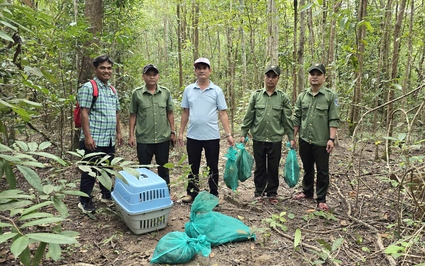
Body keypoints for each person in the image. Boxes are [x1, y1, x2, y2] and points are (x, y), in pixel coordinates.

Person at [178, 57, 234, 203]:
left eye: (205, 67)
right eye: (199, 68)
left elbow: (223, 113)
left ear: (210, 71)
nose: (202, 70)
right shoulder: (189, 90)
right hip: (193, 136)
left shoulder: (216, 91)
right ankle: (192, 193)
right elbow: (185, 112)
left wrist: (228, 134)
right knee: (192, 165)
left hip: (212, 135)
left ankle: (213, 193)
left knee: (213, 165)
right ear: (195, 71)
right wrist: (180, 132)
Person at [239, 65, 295, 205]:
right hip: (258, 137)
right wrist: (243, 134)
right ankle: (259, 192)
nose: (270, 79)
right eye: (268, 76)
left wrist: (291, 137)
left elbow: (287, 119)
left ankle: (272, 193)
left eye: (273, 76)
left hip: (275, 139)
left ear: (277, 79)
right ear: (264, 77)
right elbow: (249, 117)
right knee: (260, 167)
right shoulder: (256, 96)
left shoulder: (282, 97)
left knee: (273, 166)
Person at [78, 55, 123, 213]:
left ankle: (106, 195)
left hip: (109, 139)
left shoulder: (112, 89)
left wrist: (119, 132)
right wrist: (88, 136)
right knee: (89, 171)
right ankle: (84, 200)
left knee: (106, 169)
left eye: (109, 68)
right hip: (94, 139)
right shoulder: (89, 87)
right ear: (95, 69)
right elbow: (84, 112)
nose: (106, 71)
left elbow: (116, 112)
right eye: (103, 68)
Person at [293, 63, 340, 212]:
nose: (314, 76)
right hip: (305, 139)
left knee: (322, 170)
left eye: (318, 74)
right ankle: (307, 192)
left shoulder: (330, 96)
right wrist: (292, 137)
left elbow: (334, 118)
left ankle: (321, 199)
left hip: (322, 140)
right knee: (307, 167)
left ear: (324, 77)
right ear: (308, 77)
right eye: (312, 73)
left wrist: (331, 139)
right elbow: (297, 118)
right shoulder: (302, 96)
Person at [129, 64, 176, 191]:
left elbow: (170, 113)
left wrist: (173, 132)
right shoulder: (137, 94)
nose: (151, 77)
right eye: (148, 75)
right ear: (143, 77)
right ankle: (144, 193)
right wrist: (131, 135)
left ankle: (165, 192)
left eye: (154, 75)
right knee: (144, 169)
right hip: (144, 138)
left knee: (164, 168)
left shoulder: (165, 93)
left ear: (158, 76)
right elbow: (133, 114)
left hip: (162, 138)